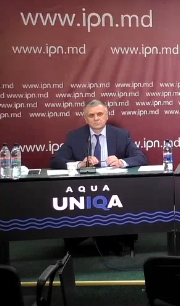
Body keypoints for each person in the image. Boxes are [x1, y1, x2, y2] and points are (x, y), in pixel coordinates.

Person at [50, 99, 148, 256]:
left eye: (100, 114)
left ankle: (112, 237)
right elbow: (56, 160)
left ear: (107, 116)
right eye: (91, 115)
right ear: (85, 119)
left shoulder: (121, 135)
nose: (96, 118)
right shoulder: (75, 136)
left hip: (115, 188)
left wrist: (121, 162)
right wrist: (80, 164)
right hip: (84, 190)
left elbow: (141, 158)